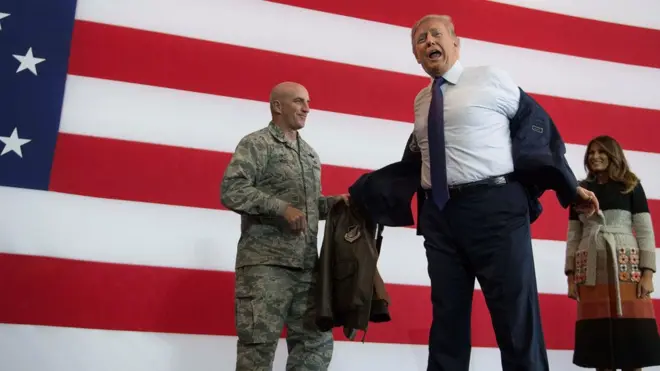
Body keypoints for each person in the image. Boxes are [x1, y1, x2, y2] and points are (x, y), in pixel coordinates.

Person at [405, 14, 599, 371]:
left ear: (455, 42)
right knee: (446, 323)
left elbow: (537, 130)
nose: (429, 41)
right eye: (420, 40)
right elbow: (417, 157)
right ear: (416, 56)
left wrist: (570, 187)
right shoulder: (421, 100)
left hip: (494, 209)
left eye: (436, 34)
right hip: (440, 218)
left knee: (515, 320)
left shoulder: (490, 78)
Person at [220, 81, 347, 371]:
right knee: (257, 354)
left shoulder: (310, 155)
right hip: (265, 268)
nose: (307, 108)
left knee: (315, 347)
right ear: (277, 106)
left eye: (308, 102)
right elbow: (232, 189)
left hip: (306, 269)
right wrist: (280, 208)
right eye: (299, 101)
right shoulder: (256, 144)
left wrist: (334, 204)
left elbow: (309, 209)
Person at [564, 135, 660, 371]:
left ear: (613, 154)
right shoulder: (580, 191)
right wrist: (570, 277)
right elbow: (573, 235)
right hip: (591, 270)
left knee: (632, 345)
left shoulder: (631, 186)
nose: (595, 157)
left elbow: (646, 232)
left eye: (601, 152)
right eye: (591, 153)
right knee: (600, 350)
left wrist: (647, 274)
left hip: (627, 269)